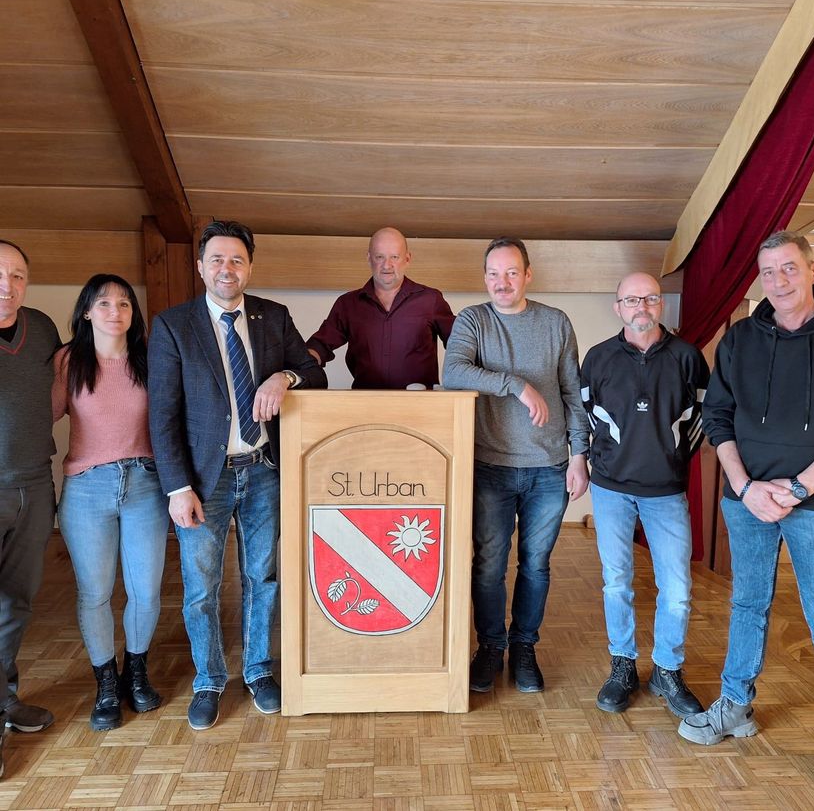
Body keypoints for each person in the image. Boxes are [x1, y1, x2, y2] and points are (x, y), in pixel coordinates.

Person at [677, 231, 814, 809]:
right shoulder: (740, 339)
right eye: (768, 271)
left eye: (788, 268)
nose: (778, 280)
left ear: (813, 269)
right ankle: (736, 705)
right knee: (747, 604)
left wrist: (799, 488)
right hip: (748, 501)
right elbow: (718, 417)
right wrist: (746, 487)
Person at [148, 219, 327, 730]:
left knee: (261, 577)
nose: (227, 269)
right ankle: (209, 679)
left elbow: (314, 373)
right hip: (203, 479)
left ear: (249, 267)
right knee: (201, 587)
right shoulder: (173, 325)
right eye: (217, 260)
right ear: (200, 266)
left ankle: (258, 670)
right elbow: (162, 414)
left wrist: (283, 376)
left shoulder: (273, 316)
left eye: (237, 260)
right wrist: (177, 487)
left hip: (263, 469)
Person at [443, 236, 589, 693]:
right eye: (493, 273)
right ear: (484, 277)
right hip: (491, 466)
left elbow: (572, 392)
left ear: (527, 275)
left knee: (536, 564)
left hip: (550, 467)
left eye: (511, 272)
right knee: (489, 565)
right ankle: (490, 647)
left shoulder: (555, 322)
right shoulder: (473, 320)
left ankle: (524, 647)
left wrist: (580, 454)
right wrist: (516, 384)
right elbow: (453, 373)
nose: (502, 282)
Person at [581, 272, 708, 717]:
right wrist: (600, 460)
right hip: (610, 489)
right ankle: (623, 665)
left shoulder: (688, 358)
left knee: (677, 588)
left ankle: (667, 670)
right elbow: (586, 414)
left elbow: (701, 419)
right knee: (617, 582)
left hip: (666, 492)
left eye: (650, 298)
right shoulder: (597, 358)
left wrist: (671, 461)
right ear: (618, 307)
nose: (641, 307)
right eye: (632, 299)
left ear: (660, 305)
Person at [52, 274, 169, 731]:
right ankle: (105, 684)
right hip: (87, 489)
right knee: (95, 593)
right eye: (103, 303)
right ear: (86, 311)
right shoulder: (68, 360)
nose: (115, 311)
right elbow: (40, 417)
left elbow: (171, 418)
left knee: (146, 591)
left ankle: (135, 673)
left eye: (124, 304)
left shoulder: (151, 358)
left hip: (145, 485)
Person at [0, 239, 59, 772]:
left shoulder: (40, 328)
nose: (7, 286)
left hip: (35, 484)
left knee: (16, 603)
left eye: (18, 275)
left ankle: (6, 700)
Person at [306, 227, 454, 388]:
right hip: (365, 399)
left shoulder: (431, 300)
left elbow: (461, 343)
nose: (387, 265)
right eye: (379, 257)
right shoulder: (347, 304)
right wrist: (299, 370)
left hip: (421, 400)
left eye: (394, 257)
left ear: (407, 259)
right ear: (369, 258)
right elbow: (319, 346)